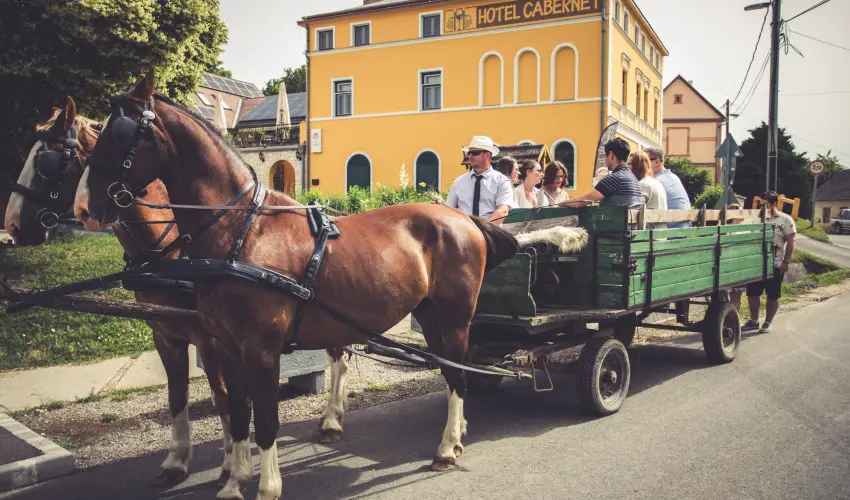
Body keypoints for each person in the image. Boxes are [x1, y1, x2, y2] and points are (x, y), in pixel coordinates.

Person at [742, 191, 797, 333]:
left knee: (772, 294)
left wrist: (786, 262)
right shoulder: (756, 219)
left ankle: (768, 322)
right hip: (756, 264)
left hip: (776, 264)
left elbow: (791, 243)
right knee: (752, 294)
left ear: (773, 203)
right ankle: (754, 320)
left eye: (765, 204)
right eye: (761, 204)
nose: (762, 208)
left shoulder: (785, 219)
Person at [446, 135, 516, 224]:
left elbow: (502, 211)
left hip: (490, 234)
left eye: (475, 153)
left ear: (487, 155)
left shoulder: (501, 181)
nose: (470, 156)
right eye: (469, 153)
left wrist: (483, 230)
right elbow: (448, 210)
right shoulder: (458, 182)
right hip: (463, 234)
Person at [560, 137, 642, 208]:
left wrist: (561, 203)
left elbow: (580, 202)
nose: (605, 160)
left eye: (605, 156)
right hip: (631, 225)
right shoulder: (633, 178)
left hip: (615, 225)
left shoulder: (615, 178)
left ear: (610, 155)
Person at [646, 148, 691, 229]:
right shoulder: (674, 177)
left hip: (670, 232)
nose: (643, 164)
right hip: (684, 229)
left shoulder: (656, 181)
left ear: (657, 162)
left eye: (646, 160)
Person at [628, 151, 668, 228]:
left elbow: (631, 213)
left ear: (637, 166)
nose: (626, 167)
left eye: (629, 164)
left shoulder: (642, 185)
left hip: (648, 236)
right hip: (660, 235)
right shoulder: (657, 183)